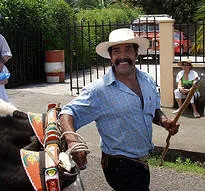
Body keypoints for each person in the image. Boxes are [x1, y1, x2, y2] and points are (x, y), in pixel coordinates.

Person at [59, 28, 180, 191]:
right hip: (119, 165)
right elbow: (68, 112)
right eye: (117, 51)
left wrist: (164, 121)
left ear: (136, 53)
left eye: (128, 49)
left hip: (142, 162)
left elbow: (152, 110)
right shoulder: (98, 91)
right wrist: (72, 141)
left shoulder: (147, 80)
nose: (122, 56)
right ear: (111, 56)